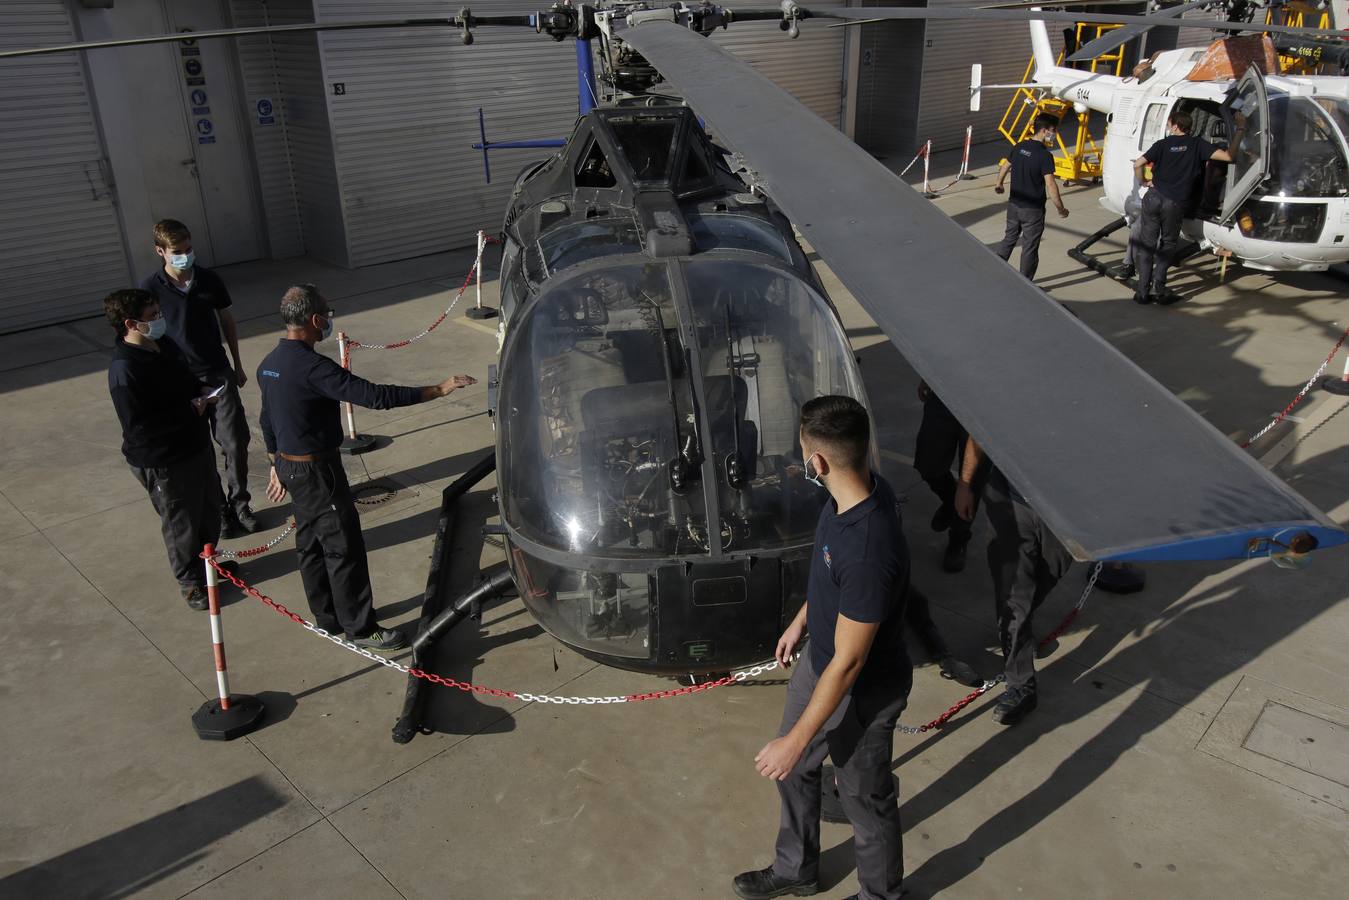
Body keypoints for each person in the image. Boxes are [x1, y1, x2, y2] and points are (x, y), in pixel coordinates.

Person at [733, 396, 911, 900]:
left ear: (818, 462)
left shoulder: (869, 550)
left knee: (864, 801)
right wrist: (801, 621)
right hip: (821, 662)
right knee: (791, 773)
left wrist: (796, 740)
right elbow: (829, 579)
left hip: (862, 691)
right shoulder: (849, 496)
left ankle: (880, 895)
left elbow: (852, 662)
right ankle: (797, 868)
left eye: (802, 454)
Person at [257, 284, 476, 652]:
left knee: (309, 546)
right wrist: (436, 390)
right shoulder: (313, 368)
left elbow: (267, 420)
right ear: (314, 320)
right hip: (317, 473)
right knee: (343, 547)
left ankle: (327, 617)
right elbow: (375, 396)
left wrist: (275, 463)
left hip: (290, 469)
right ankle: (360, 627)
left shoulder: (269, 365)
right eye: (326, 313)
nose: (328, 320)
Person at [139, 219, 257, 537]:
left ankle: (240, 503)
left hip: (218, 372)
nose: (185, 256)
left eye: (189, 249)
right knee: (200, 450)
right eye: (177, 251)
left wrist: (237, 364)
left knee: (235, 441)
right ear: (160, 251)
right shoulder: (150, 290)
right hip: (182, 382)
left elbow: (227, 322)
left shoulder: (209, 280)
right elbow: (148, 337)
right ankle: (219, 510)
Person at [105, 289, 222, 611]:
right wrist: (190, 410)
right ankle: (190, 582)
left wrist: (200, 390)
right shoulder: (125, 369)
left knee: (210, 509)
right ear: (130, 323)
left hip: (194, 445)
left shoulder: (164, 346)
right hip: (163, 460)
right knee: (180, 521)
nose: (160, 319)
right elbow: (139, 424)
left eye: (159, 312)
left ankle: (209, 562)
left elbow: (186, 380)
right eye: (152, 316)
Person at [955, 437, 1071, 726]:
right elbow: (979, 429)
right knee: (1012, 598)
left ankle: (1020, 625)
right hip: (1009, 497)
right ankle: (1021, 684)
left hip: (1065, 503)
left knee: (1052, 569)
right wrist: (966, 483)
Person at [1132, 110, 1232, 304]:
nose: (1168, 126)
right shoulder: (1198, 145)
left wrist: (1143, 180)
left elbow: (1138, 163)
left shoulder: (1161, 145)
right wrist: (1240, 130)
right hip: (1175, 203)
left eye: (1169, 124)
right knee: (1168, 244)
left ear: (1176, 126)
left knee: (1147, 245)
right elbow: (1228, 157)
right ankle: (1158, 287)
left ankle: (1142, 292)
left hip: (1153, 198)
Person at [912, 380, 988, 574]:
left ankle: (959, 537)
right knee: (927, 464)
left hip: (983, 399)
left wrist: (965, 484)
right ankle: (951, 499)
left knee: (972, 481)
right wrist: (927, 376)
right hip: (945, 389)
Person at [993, 113, 1069, 280]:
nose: (1054, 133)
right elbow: (1050, 184)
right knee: (1029, 248)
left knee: (1009, 238)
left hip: (1013, 206)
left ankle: (994, 270)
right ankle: (1025, 283)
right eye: (1053, 130)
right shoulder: (1044, 156)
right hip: (1033, 211)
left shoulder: (1019, 146)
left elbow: (1005, 166)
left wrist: (999, 184)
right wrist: (1061, 208)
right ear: (1043, 130)